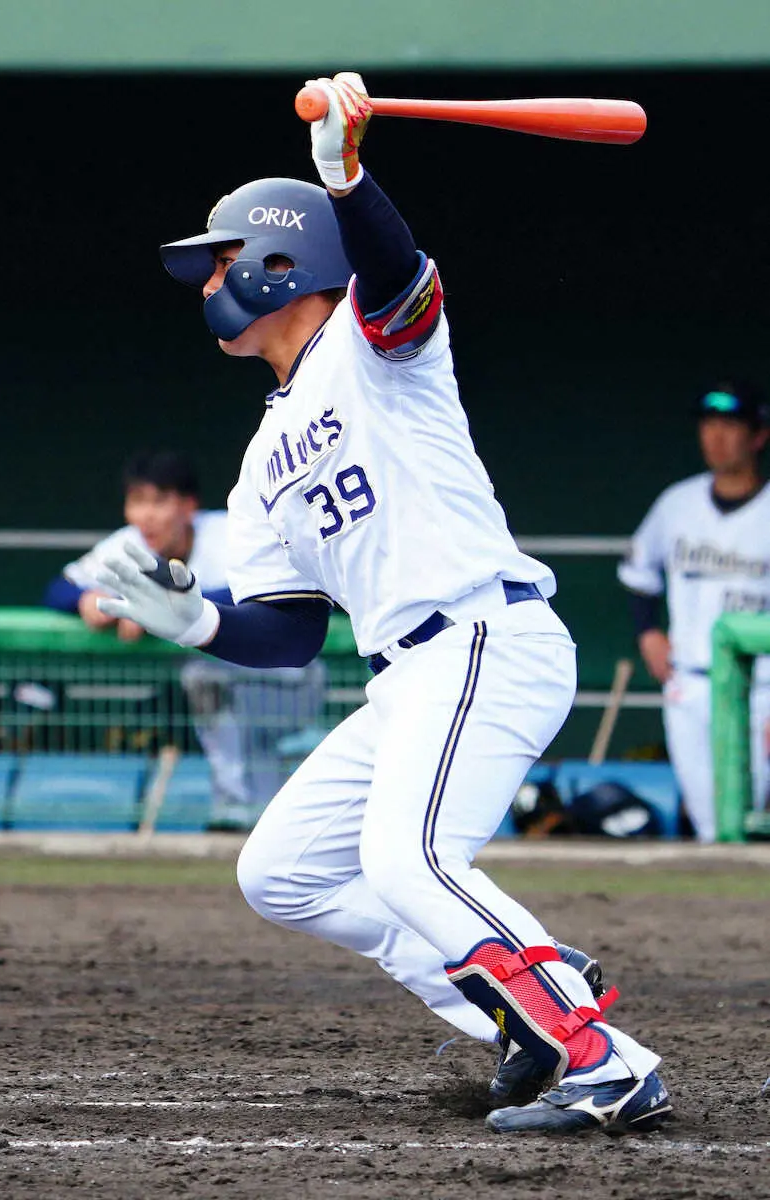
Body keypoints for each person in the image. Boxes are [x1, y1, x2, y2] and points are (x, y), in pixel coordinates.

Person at [92, 72, 671, 1135]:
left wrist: (345, 177)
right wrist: (196, 622)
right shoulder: (259, 463)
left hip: (483, 634)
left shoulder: (373, 346)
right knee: (281, 872)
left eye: (221, 258)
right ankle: (527, 988)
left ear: (279, 263)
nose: (207, 280)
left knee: (407, 860)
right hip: (404, 675)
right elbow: (291, 631)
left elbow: (398, 276)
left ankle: (600, 1058)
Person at [44, 449, 325, 827]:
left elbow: (267, 594)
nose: (146, 515)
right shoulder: (129, 544)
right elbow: (57, 589)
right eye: (137, 501)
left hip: (286, 681)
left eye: (159, 501)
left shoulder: (230, 532)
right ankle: (238, 820)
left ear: (188, 506)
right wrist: (86, 599)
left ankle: (246, 807)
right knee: (210, 690)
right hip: (224, 695)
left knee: (212, 689)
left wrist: (156, 605)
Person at [618, 383, 770, 842]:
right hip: (690, 681)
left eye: (730, 425)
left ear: (758, 436)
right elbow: (638, 572)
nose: (716, 436)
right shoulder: (677, 503)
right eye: (708, 425)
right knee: (709, 823)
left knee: (745, 818)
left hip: (761, 687)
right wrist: (648, 633)